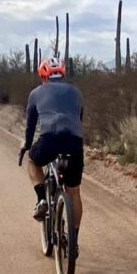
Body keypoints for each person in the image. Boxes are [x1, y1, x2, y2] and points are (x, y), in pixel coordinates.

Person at [18, 56, 84, 233]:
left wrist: (27, 145)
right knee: (74, 191)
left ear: (43, 75)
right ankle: (73, 240)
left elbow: (31, 125)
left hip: (49, 139)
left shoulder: (36, 93)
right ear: (62, 73)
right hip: (74, 142)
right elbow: (79, 118)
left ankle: (42, 200)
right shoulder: (76, 92)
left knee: (33, 162)